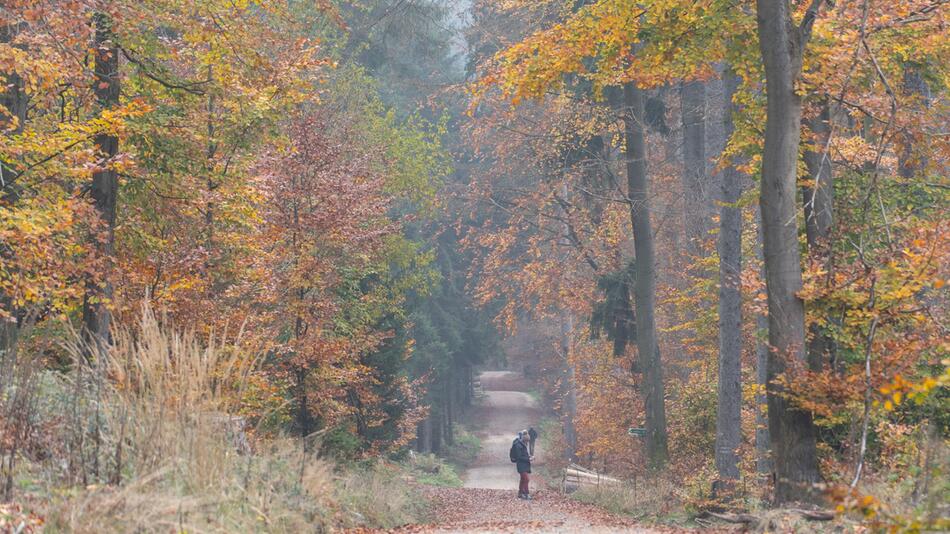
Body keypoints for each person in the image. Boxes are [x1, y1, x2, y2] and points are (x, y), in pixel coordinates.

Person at [511, 429, 533, 500]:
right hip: (521, 465)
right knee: (526, 479)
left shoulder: (523, 444)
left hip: (525, 465)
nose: (527, 442)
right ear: (524, 439)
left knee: (523, 479)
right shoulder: (518, 445)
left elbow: (524, 454)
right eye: (526, 441)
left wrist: (529, 456)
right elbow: (519, 457)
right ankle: (527, 494)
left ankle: (520, 493)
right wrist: (528, 459)